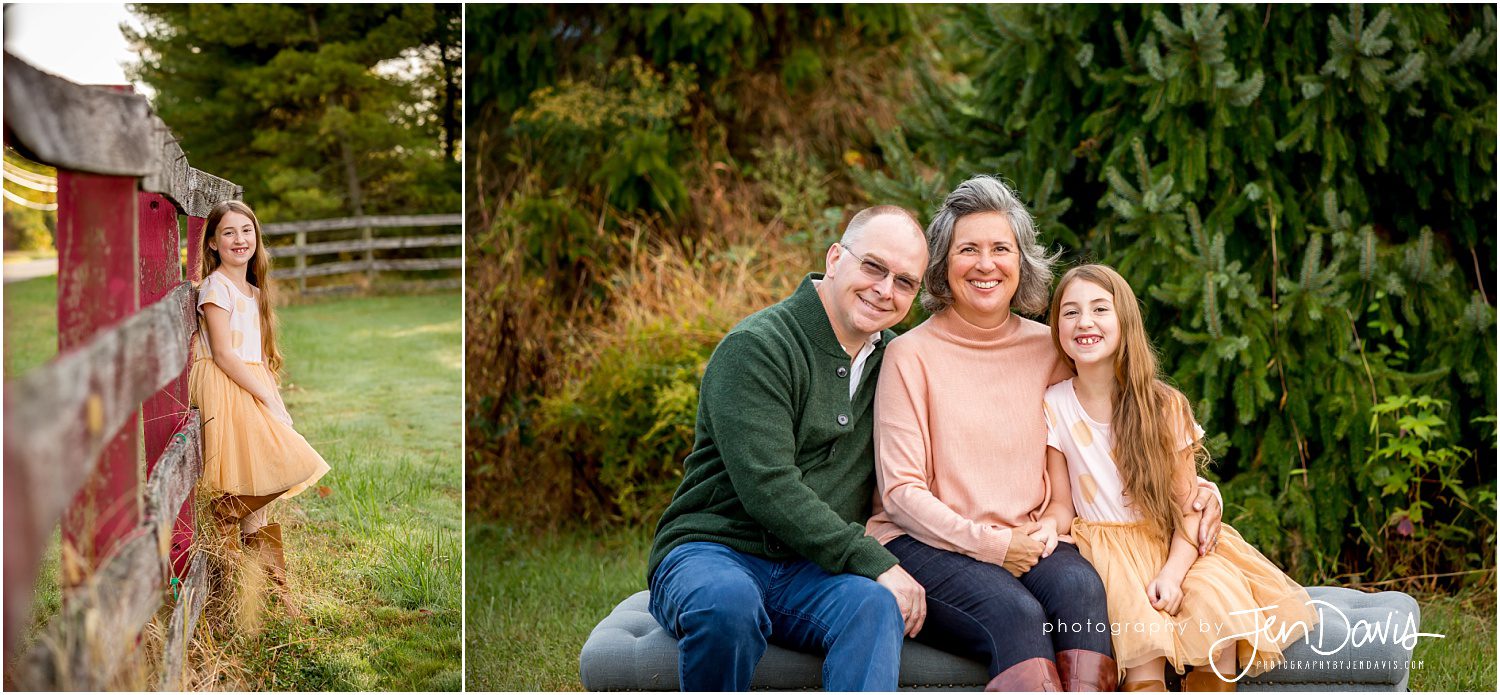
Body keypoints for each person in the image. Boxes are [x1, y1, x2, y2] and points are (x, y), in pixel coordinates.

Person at [869, 175, 1224, 692]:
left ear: (1022, 262)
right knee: (1013, 611)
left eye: (1001, 249)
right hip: (928, 543)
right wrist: (993, 545)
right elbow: (901, 494)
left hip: (1034, 536)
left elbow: (1119, 428)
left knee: (1082, 586)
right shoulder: (909, 356)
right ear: (944, 264)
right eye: (968, 249)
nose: (986, 264)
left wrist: (1196, 488)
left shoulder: (1051, 349)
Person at [645, 206, 931, 691]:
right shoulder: (758, 348)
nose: (886, 289)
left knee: (874, 606)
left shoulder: (897, 361)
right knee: (727, 605)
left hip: (809, 571)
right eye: (874, 267)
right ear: (836, 257)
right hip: (716, 549)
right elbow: (769, 487)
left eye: (905, 282)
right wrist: (875, 561)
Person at [1044, 264, 1318, 692]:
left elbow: (1189, 507)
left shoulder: (1163, 405)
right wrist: (1045, 529)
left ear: (1125, 323)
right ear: (1056, 325)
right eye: (1070, 312)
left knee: (1216, 621)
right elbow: (1062, 503)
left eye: (1100, 309)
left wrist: (1172, 575)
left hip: (1177, 547)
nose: (1085, 323)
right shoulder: (1056, 405)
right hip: (1109, 557)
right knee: (1143, 652)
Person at [190, 200, 330, 617]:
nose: (239, 240)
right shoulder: (216, 287)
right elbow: (224, 354)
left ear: (256, 238)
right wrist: (265, 397)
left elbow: (255, 355)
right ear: (213, 242)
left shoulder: (252, 290)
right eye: (228, 233)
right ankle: (224, 517)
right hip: (225, 384)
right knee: (288, 465)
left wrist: (272, 393)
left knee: (263, 490)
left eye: (246, 231)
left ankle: (272, 597)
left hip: (250, 381)